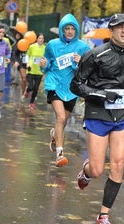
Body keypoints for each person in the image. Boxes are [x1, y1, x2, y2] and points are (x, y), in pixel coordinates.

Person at [70, 13, 124, 224]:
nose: (123, 31)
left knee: (119, 164)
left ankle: (103, 217)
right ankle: (85, 172)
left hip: (122, 116)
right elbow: (76, 85)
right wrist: (101, 95)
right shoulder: (94, 55)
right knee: (97, 169)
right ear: (110, 31)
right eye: (119, 27)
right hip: (98, 114)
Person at [39, 13, 90, 167]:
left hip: (72, 88)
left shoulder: (83, 47)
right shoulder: (52, 45)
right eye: (66, 28)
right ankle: (60, 154)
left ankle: (55, 134)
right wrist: (44, 64)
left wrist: (80, 62)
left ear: (76, 30)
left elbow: (87, 69)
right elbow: (47, 64)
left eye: (72, 29)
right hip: (54, 84)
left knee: (64, 120)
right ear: (62, 30)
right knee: (61, 117)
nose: (69, 31)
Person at [25, 33, 46, 109]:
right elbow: (27, 55)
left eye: (42, 38)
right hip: (31, 70)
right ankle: (27, 91)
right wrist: (27, 63)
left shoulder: (45, 48)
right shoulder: (32, 46)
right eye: (40, 38)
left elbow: (46, 58)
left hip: (39, 71)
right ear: (37, 39)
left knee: (36, 88)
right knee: (31, 87)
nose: (41, 40)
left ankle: (32, 102)